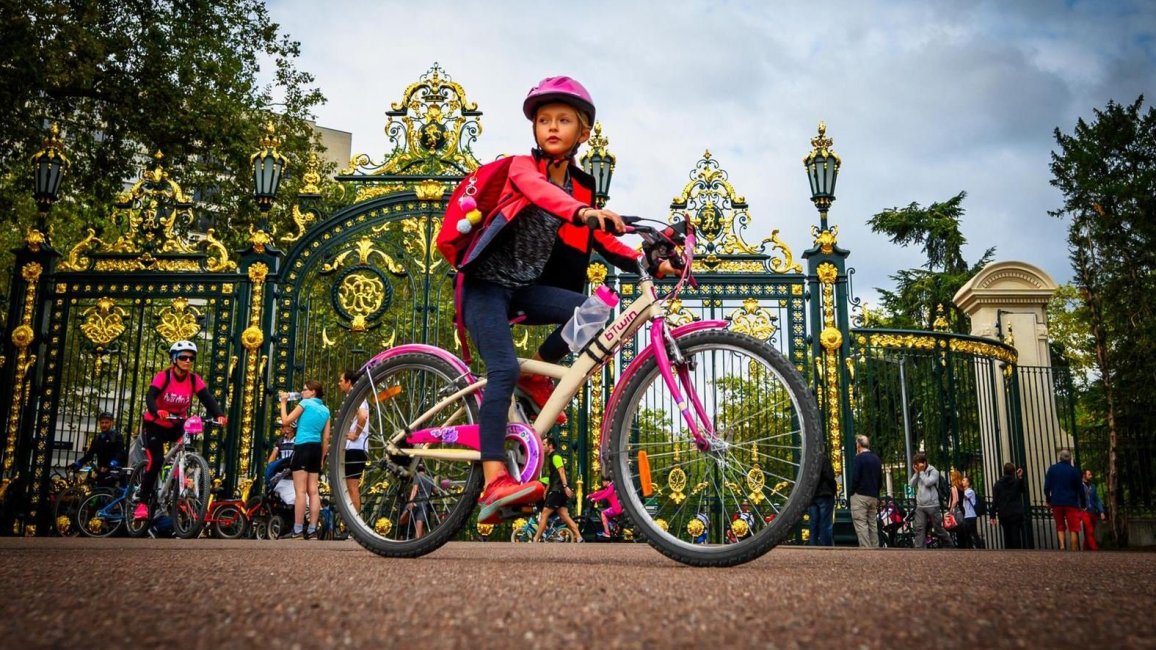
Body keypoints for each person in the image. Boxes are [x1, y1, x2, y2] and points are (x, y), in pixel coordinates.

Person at [457, 76, 676, 524]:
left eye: (563, 120)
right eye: (543, 120)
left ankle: (535, 374)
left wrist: (651, 261)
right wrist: (581, 210)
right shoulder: (523, 167)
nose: (552, 127)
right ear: (534, 128)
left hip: (522, 288)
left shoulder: (580, 185)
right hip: (484, 287)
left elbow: (598, 238)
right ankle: (495, 476)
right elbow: (545, 197)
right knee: (500, 369)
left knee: (596, 308)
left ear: (585, 133)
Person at [133, 340, 227, 520]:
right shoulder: (164, 376)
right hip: (155, 424)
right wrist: (156, 411)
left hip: (177, 423)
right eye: (183, 357)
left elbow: (207, 398)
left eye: (191, 358)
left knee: (186, 451)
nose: (188, 361)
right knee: (157, 460)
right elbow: (150, 396)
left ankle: (178, 486)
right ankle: (142, 503)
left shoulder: (193, 379)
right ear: (174, 359)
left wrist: (219, 415)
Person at [280, 380, 331, 539]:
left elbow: (286, 421)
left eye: (305, 389)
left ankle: (297, 529)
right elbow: (326, 438)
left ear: (313, 392)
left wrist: (283, 403)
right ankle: (312, 530)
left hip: (302, 447)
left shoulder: (305, 403)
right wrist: (322, 457)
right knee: (313, 491)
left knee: (300, 491)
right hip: (316, 449)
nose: (302, 392)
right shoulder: (326, 410)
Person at [532, 436, 581, 543]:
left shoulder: (556, 457)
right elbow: (552, 477)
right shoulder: (551, 458)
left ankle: (535, 539)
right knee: (565, 516)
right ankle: (579, 537)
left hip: (557, 490)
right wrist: (546, 490)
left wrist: (565, 486)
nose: (543, 446)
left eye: (544, 444)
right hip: (557, 490)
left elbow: (561, 471)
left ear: (550, 446)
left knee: (544, 514)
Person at [337, 369, 369, 514]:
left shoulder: (357, 397)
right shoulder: (353, 397)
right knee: (349, 487)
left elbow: (363, 416)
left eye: (341, 381)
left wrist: (356, 434)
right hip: (351, 448)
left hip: (355, 448)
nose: (339, 384)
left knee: (352, 486)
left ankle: (355, 524)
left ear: (349, 382)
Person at [909, 453, 954, 548]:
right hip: (920, 506)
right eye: (916, 465)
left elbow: (928, 482)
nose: (918, 467)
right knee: (919, 528)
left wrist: (921, 473)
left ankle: (950, 545)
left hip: (932, 505)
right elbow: (911, 484)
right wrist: (917, 473)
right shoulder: (919, 473)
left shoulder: (934, 472)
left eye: (919, 464)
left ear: (924, 463)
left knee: (937, 528)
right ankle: (919, 549)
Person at [70, 412, 124, 489]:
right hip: (101, 471)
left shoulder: (117, 436)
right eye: (102, 423)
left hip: (114, 471)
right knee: (98, 493)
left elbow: (120, 452)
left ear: (111, 423)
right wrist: (79, 462)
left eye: (106, 422)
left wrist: (113, 463)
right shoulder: (97, 438)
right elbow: (90, 454)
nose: (104, 425)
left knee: (110, 494)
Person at [1044, 449, 1083, 551]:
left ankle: (1062, 546)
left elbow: (1046, 487)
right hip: (1071, 502)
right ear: (1070, 458)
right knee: (1073, 527)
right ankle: (1074, 547)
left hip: (1056, 501)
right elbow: (1080, 489)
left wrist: (1048, 499)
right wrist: (1082, 503)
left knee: (1059, 525)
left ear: (1060, 457)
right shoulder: (1074, 470)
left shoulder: (1052, 469)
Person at [849, 435, 883, 548]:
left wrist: (852, 492)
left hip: (860, 496)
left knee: (861, 523)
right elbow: (880, 480)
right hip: (873, 496)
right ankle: (875, 547)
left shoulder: (859, 458)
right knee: (872, 524)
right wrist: (876, 494)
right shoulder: (876, 459)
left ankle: (866, 550)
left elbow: (855, 478)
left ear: (858, 445)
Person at [992, 463, 1027, 549]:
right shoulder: (1016, 482)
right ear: (1013, 472)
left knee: (1007, 536)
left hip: (1004, 513)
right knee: (1016, 535)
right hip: (1016, 512)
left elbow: (995, 500)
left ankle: (1009, 554)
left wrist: (992, 515)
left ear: (1004, 471)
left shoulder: (998, 484)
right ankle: (1017, 553)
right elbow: (1023, 490)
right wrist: (1020, 477)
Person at [808, 452, 837, 546]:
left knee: (813, 524)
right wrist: (833, 489)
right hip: (825, 494)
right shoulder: (823, 458)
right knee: (825, 524)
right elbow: (830, 476)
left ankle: (813, 548)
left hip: (812, 495)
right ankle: (826, 549)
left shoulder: (808, 460)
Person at [404, 465, 435, 539]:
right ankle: (418, 540)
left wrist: (410, 501)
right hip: (425, 503)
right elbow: (435, 491)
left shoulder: (417, 477)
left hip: (416, 502)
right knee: (420, 521)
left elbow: (415, 489)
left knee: (405, 520)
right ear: (425, 470)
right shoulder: (430, 479)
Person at [1080, 469, 1106, 551]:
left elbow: (1097, 499)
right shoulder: (1079, 486)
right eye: (1089, 474)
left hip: (1093, 511)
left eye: (1091, 474)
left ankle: (1085, 549)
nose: (1091, 476)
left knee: (1090, 531)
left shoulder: (1093, 486)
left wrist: (1101, 511)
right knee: (1090, 529)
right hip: (1084, 511)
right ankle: (1094, 549)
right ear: (1084, 475)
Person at [957, 475, 978, 549]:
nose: (962, 481)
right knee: (967, 534)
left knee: (973, 533)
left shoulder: (970, 491)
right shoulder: (965, 491)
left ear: (968, 483)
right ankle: (970, 547)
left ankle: (978, 547)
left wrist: (958, 488)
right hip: (966, 515)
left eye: (964, 480)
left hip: (971, 515)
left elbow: (963, 496)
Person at [947, 469, 966, 545]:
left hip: (956, 510)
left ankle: (960, 546)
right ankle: (964, 545)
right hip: (961, 509)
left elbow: (955, 500)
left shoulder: (953, 488)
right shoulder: (961, 488)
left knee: (957, 528)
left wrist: (950, 510)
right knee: (961, 528)